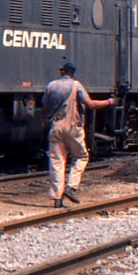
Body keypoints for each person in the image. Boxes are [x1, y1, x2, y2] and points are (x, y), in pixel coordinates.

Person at [41, 62, 116, 208]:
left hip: (55, 127)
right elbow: (91, 105)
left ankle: (57, 198)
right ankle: (71, 187)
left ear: (62, 72)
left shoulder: (51, 86)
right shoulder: (76, 85)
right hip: (73, 127)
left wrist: (45, 123)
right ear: (72, 74)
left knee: (56, 161)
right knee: (81, 157)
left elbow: (44, 108)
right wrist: (109, 102)